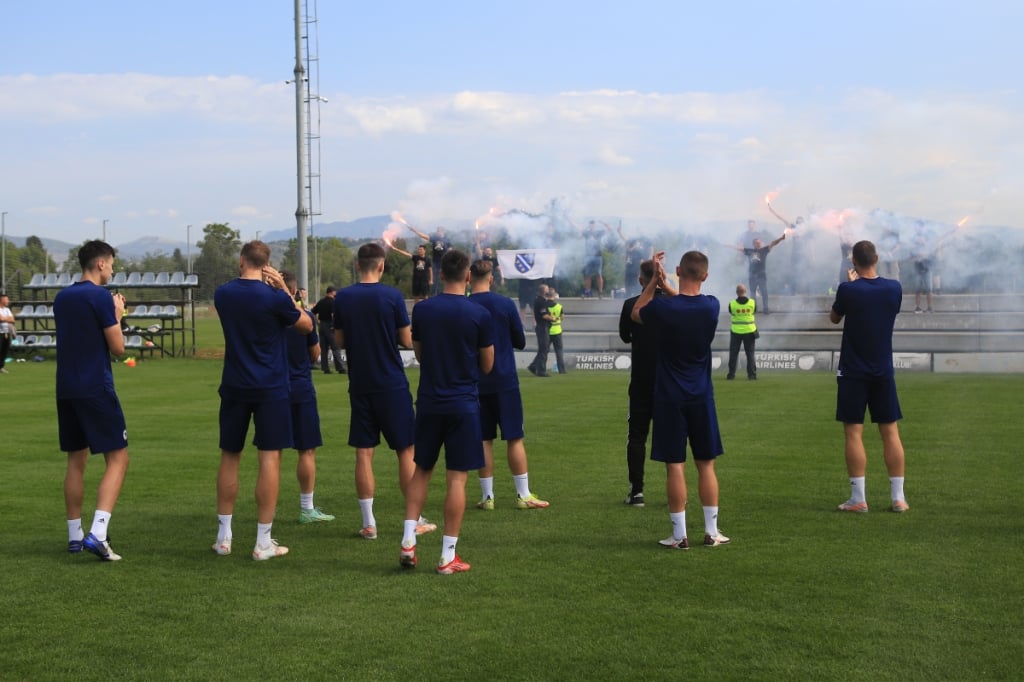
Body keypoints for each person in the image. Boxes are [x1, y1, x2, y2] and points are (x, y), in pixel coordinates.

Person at [213, 240, 313, 561]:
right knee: (269, 459)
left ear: (242, 260)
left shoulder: (223, 294)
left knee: (230, 456)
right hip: (270, 387)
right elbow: (306, 325)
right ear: (267, 264)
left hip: (235, 384)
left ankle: (224, 537)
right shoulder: (274, 298)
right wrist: (284, 288)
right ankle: (263, 541)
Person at [400, 249, 495, 574]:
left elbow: (421, 353)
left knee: (421, 470)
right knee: (457, 478)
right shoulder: (478, 313)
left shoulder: (423, 310)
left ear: (440, 274)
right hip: (463, 403)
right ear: (468, 276)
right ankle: (447, 555)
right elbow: (488, 364)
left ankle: (408, 540)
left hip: (429, 401)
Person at [334, 243, 436, 540]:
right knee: (405, 450)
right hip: (390, 383)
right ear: (381, 266)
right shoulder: (391, 296)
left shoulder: (343, 297)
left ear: (358, 265)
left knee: (364, 453)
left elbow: (339, 340)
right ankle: (413, 519)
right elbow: (406, 339)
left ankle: (369, 523)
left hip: (360, 383)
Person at [632, 250, 730, 549]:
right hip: (701, 395)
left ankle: (679, 535)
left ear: (678, 270)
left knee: (675, 465)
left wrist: (654, 282)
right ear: (706, 275)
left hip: (669, 396)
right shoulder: (712, 306)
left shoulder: (663, 307)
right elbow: (687, 301)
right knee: (706, 465)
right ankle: (712, 532)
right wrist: (670, 283)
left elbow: (637, 312)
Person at [53, 240, 130, 560]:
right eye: (111, 263)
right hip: (95, 386)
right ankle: (98, 532)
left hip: (66, 387)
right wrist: (118, 314)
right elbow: (119, 348)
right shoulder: (100, 297)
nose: (112, 268)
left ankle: (74, 535)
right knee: (118, 458)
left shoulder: (62, 297)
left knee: (76, 460)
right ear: (100, 263)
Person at [829, 240, 908, 514]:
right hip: (883, 369)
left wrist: (851, 284)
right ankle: (898, 497)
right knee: (890, 431)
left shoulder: (848, 289)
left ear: (853, 261)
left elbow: (834, 317)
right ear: (876, 258)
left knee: (853, 432)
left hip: (853, 370)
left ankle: (858, 498)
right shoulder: (894, 288)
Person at [468, 259, 550, 511]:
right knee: (514, 437)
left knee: (484, 439)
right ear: (491, 279)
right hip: (504, 379)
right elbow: (520, 341)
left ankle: (487, 497)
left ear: (469, 278)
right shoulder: (504, 304)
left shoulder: (465, 305)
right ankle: (523, 495)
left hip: (475, 382)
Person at [281, 271, 335, 524]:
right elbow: (315, 353)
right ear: (294, 292)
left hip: (272, 386)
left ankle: (265, 519)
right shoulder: (305, 317)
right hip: (299, 384)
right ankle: (306, 508)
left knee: (271, 453)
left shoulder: (265, 316)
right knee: (306, 449)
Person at [617, 259, 661, 507]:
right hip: (668, 381)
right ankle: (677, 493)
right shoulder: (671, 303)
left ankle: (637, 492)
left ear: (642, 279)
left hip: (642, 380)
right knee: (671, 437)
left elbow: (625, 336)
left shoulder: (631, 304)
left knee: (636, 436)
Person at [731, 233, 786, 314]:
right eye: (756, 243)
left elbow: (772, 243)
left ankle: (766, 308)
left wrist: (781, 238)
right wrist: (729, 246)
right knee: (752, 293)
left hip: (761, 275)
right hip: (752, 275)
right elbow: (739, 248)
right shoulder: (750, 251)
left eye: (759, 242)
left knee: (764, 292)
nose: (758, 244)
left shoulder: (764, 250)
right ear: (754, 244)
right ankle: (754, 309)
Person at [310, 286, 346, 374]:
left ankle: (325, 368)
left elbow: (313, 312)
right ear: (332, 292)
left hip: (322, 325)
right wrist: (335, 325)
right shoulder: (333, 302)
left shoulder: (321, 301)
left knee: (324, 348)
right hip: (330, 325)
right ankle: (340, 368)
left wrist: (318, 322)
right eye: (335, 292)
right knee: (335, 346)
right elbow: (333, 314)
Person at [726, 284, 758, 380]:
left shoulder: (732, 304)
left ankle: (731, 374)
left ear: (737, 292)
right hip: (750, 331)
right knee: (750, 354)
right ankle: (751, 375)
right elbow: (754, 312)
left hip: (736, 331)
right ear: (745, 292)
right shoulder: (752, 303)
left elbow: (731, 312)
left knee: (733, 353)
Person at [526, 283, 553, 377]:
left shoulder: (540, 300)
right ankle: (541, 370)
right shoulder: (541, 302)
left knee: (543, 348)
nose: (548, 291)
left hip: (542, 327)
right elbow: (544, 315)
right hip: (542, 327)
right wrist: (553, 318)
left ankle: (533, 366)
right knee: (544, 349)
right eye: (547, 289)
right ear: (544, 291)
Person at [581, 220, 609, 298]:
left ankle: (600, 292)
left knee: (599, 274)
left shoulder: (599, 232)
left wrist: (603, 222)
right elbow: (578, 228)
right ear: (589, 225)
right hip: (588, 256)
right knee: (587, 275)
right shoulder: (586, 233)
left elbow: (609, 229)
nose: (592, 226)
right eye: (590, 225)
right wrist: (568, 218)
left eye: (593, 225)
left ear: (595, 225)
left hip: (597, 256)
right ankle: (587, 291)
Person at [545, 288, 567, 374]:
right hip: (557, 330)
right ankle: (562, 370)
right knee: (559, 351)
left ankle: (541, 368)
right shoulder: (559, 306)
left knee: (545, 351)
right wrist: (557, 319)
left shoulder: (544, 306)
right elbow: (562, 318)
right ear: (554, 296)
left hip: (547, 330)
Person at [0, 293, 14, 374]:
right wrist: (6, 318)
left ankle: (1, 367)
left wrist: (4, 319)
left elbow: (12, 320)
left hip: (6, 332)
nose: (8, 301)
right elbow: (1, 319)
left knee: (4, 350)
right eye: (6, 299)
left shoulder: (7, 310)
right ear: (1, 300)